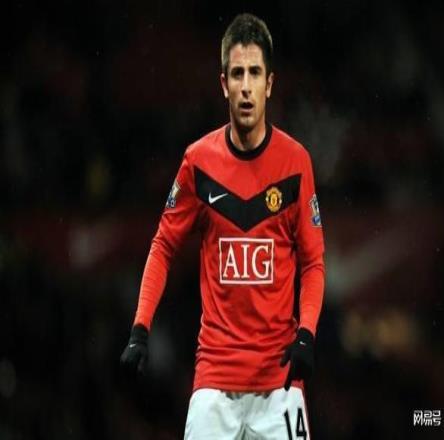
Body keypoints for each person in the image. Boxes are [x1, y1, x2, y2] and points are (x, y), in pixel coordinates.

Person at [120, 13, 325, 439]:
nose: (246, 86)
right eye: (237, 73)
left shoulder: (296, 162)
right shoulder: (198, 162)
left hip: (281, 383)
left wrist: (306, 334)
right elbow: (163, 246)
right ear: (223, 84)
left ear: (270, 83)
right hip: (214, 384)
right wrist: (140, 327)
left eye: (255, 73)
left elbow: (313, 263)